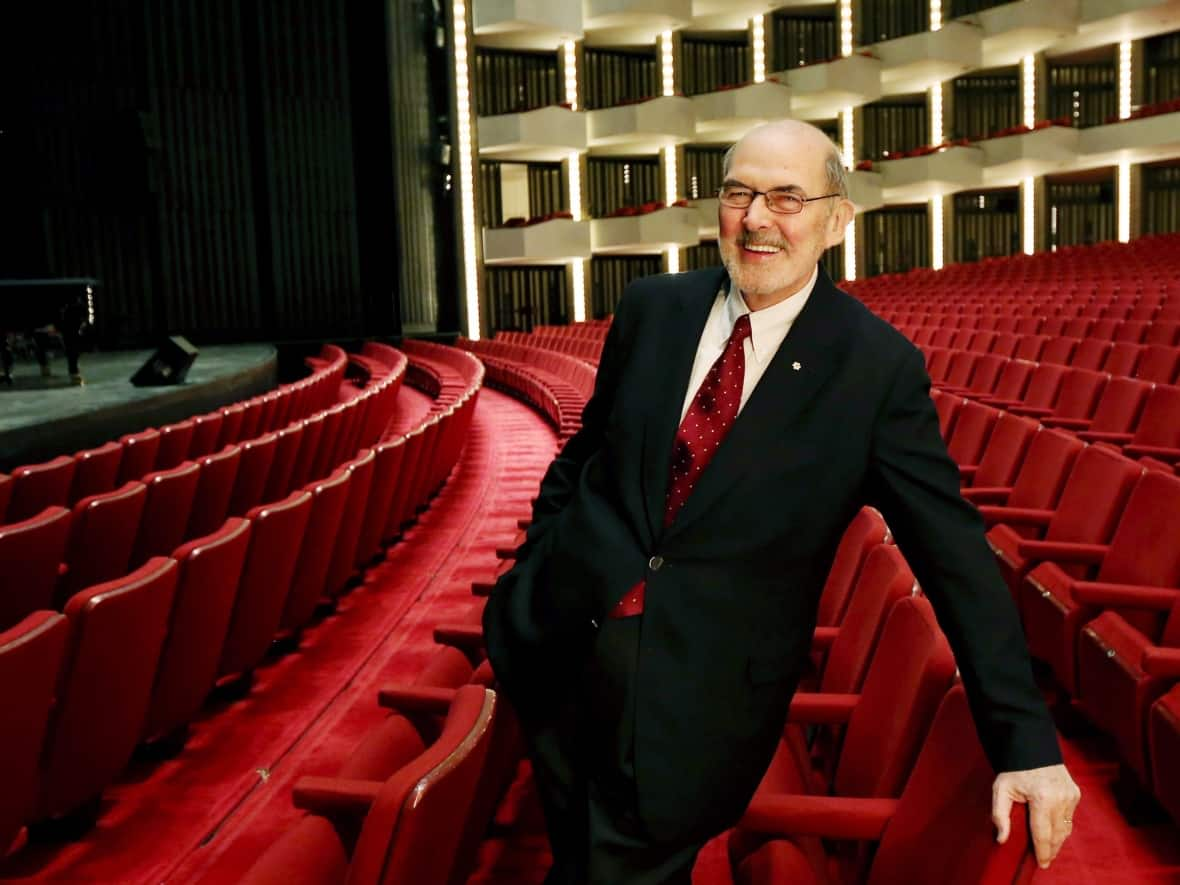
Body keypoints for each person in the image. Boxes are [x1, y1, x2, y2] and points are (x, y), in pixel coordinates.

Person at [482, 119, 1081, 885]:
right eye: (739, 192)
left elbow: (955, 553)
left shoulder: (876, 371)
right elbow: (585, 456)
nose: (758, 218)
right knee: (572, 853)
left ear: (837, 219)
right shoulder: (652, 308)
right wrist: (531, 574)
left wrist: (1026, 738)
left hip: (695, 707)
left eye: (787, 197)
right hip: (559, 646)